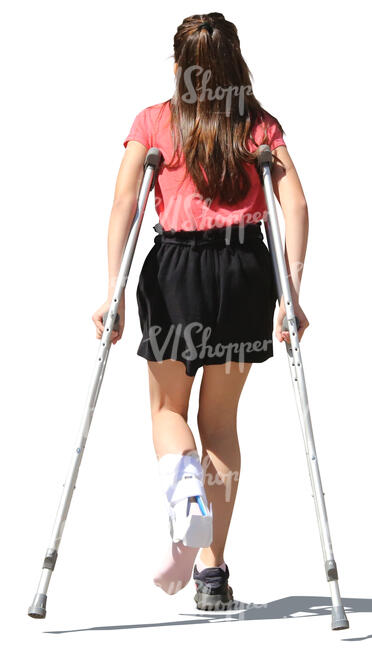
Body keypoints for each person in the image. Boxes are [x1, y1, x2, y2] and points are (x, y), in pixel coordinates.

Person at [91, 12, 309, 610]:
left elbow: (123, 205)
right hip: (245, 275)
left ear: (177, 61)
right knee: (220, 424)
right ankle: (213, 578)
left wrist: (111, 291)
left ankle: (185, 496)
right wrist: (290, 290)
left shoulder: (154, 122)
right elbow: (295, 203)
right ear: (235, 60)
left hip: (178, 274)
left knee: (166, 408)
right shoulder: (259, 126)